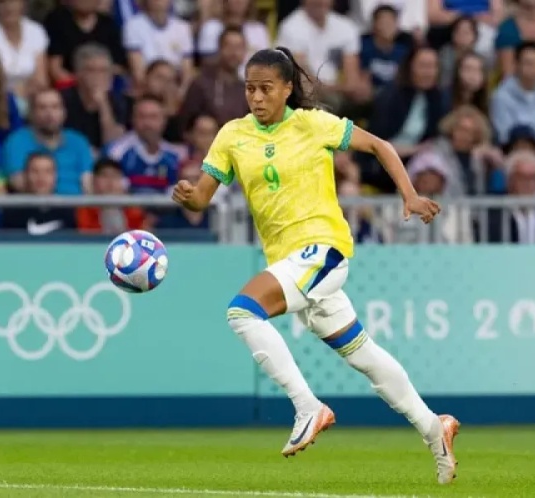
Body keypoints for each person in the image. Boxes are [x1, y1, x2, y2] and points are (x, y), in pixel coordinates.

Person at [171, 46, 460, 484]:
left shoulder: (313, 124)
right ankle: (433, 427)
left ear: (288, 89)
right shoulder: (232, 135)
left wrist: (409, 194)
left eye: (267, 89)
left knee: (242, 311)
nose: (257, 97)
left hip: (323, 250)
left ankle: (307, 406)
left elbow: (379, 146)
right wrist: (189, 194)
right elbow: (202, 198)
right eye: (250, 89)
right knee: (363, 355)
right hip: (290, 261)